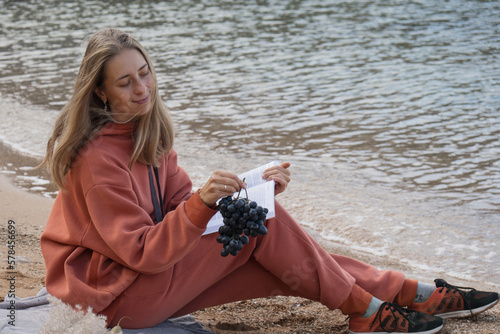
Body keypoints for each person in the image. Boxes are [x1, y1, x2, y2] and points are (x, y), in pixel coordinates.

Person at [40, 28, 498, 334]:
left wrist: (250, 186)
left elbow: (183, 203)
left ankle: (405, 295)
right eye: (126, 82)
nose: (143, 89)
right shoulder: (97, 160)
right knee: (268, 225)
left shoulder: (146, 135)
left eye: (145, 73)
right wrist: (210, 202)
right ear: (99, 90)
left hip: (145, 283)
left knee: (276, 248)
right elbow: (144, 250)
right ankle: (371, 310)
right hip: (111, 300)